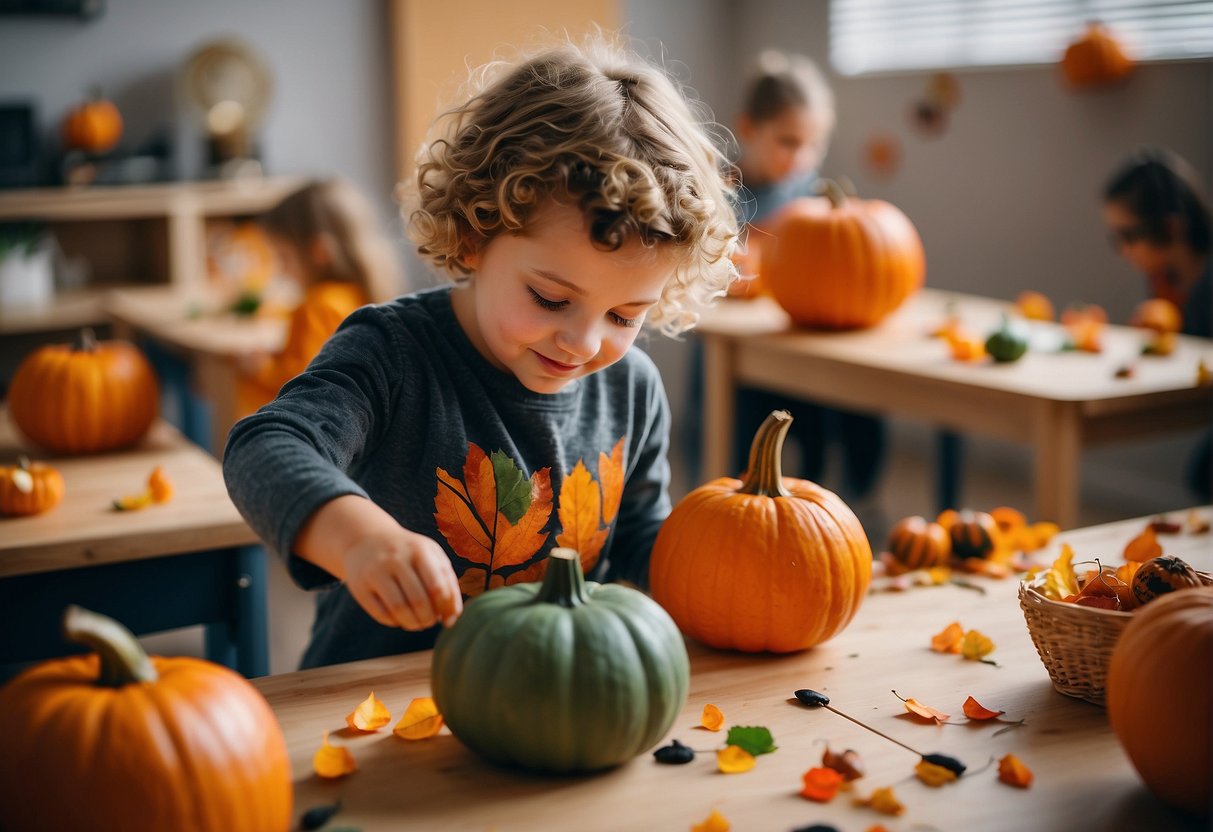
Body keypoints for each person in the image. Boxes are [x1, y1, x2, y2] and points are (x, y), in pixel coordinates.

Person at [223, 36, 739, 669]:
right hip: (375, 703)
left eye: (625, 315)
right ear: (473, 235)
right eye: (551, 299)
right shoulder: (392, 353)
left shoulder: (633, 389)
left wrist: (745, 576)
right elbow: (265, 446)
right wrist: (358, 538)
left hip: (553, 696)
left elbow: (640, 540)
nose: (582, 342)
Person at [730, 51, 887, 505]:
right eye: (787, 142)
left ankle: (852, 493)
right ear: (748, 128)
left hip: (806, 331)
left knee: (853, 393)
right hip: (749, 351)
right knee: (751, 420)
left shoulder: (812, 193)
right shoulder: (725, 191)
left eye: (812, 145)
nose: (800, 157)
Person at [234, 178, 404, 418]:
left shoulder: (319, 305)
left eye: (284, 258)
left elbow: (306, 379)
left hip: (306, 421)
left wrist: (261, 368)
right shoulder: (355, 294)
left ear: (319, 252)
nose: (281, 270)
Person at [1103, 147, 1211, 499]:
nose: (1124, 250)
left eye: (1130, 236)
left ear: (1170, 227)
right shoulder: (1164, 279)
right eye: (1116, 238)